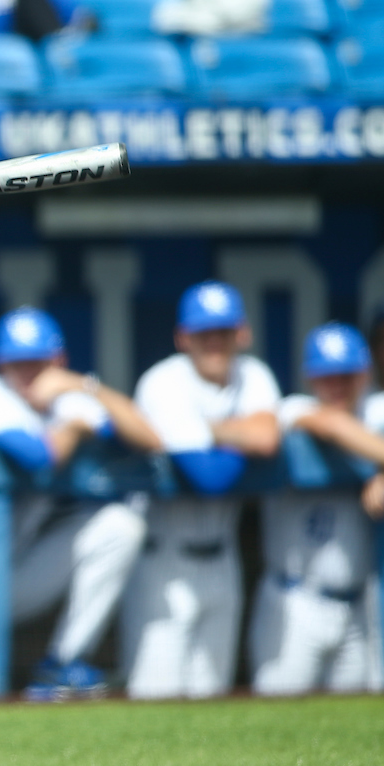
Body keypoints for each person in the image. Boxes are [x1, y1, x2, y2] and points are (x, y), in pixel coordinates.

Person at [0, 307, 161, 702]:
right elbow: (37, 458)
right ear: (0, 364)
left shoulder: (68, 400)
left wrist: (85, 388)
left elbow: (151, 438)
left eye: (37, 363)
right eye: (17, 363)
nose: (27, 373)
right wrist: (75, 426)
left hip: (12, 570)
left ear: (57, 362)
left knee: (120, 525)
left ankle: (64, 663)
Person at [124, 281, 281, 700]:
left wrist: (205, 428)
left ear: (241, 333)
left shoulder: (254, 375)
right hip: (163, 563)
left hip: (223, 559)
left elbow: (266, 438)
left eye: (223, 333)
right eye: (202, 334)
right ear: (183, 338)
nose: (214, 343)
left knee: (212, 702)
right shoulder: (162, 382)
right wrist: (237, 435)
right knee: (152, 703)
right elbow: (210, 477)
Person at [252, 323, 384, 696]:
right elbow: (332, 424)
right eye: (327, 377)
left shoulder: (378, 406)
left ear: (364, 372)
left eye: (347, 374)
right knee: (274, 724)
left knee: (350, 730)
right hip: (294, 600)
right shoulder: (294, 407)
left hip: (357, 605)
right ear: (311, 377)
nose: (338, 386)